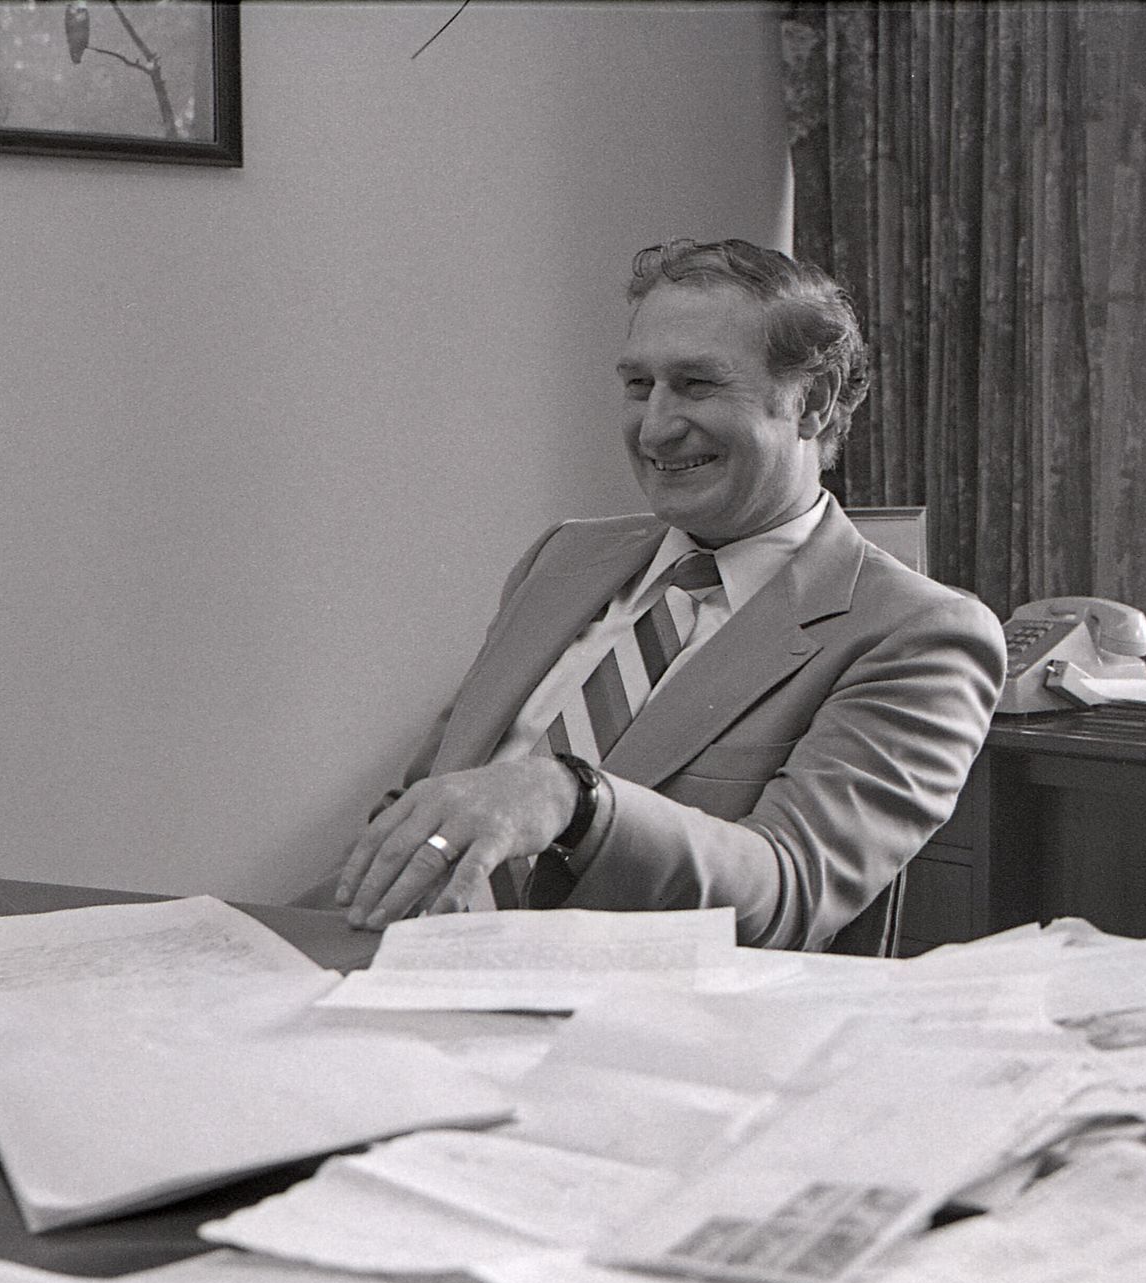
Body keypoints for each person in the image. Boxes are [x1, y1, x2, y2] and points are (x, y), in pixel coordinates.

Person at [336, 238, 1004, 950]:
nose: (654, 428)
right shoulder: (562, 559)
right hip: (388, 973)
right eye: (638, 385)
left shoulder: (920, 633)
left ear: (812, 402)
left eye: (697, 384)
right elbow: (423, 803)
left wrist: (573, 799)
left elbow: (792, 892)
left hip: (617, 1009)